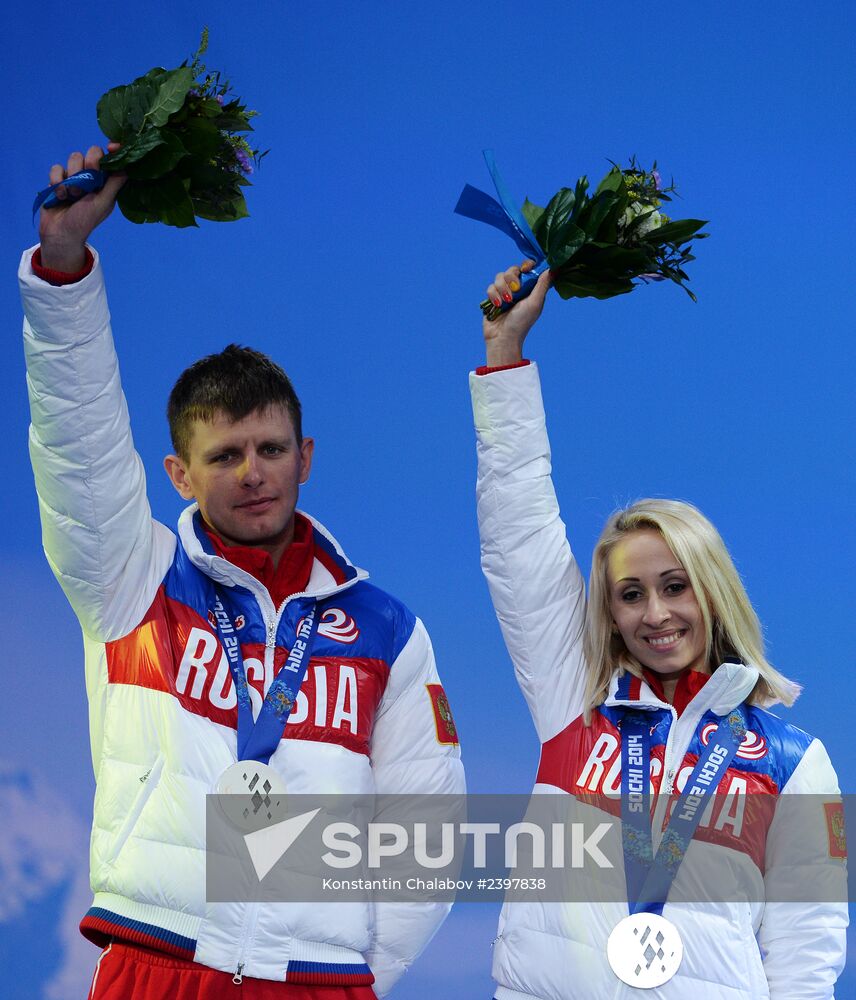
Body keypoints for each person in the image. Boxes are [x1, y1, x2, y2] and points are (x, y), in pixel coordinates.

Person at [19, 145, 465, 999]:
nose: (253, 472)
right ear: (178, 476)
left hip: (316, 979)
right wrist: (66, 269)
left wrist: (354, 967)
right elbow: (78, 450)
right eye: (224, 455)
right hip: (160, 959)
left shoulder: (386, 631)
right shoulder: (134, 579)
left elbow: (428, 825)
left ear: (307, 457)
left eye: (270, 448)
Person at [470, 261, 847, 999]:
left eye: (676, 587)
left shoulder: (794, 763)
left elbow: (805, 956)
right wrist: (504, 359)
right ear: (608, 612)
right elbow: (520, 540)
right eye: (630, 594)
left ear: (714, 593)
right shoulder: (571, 705)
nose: (656, 613)